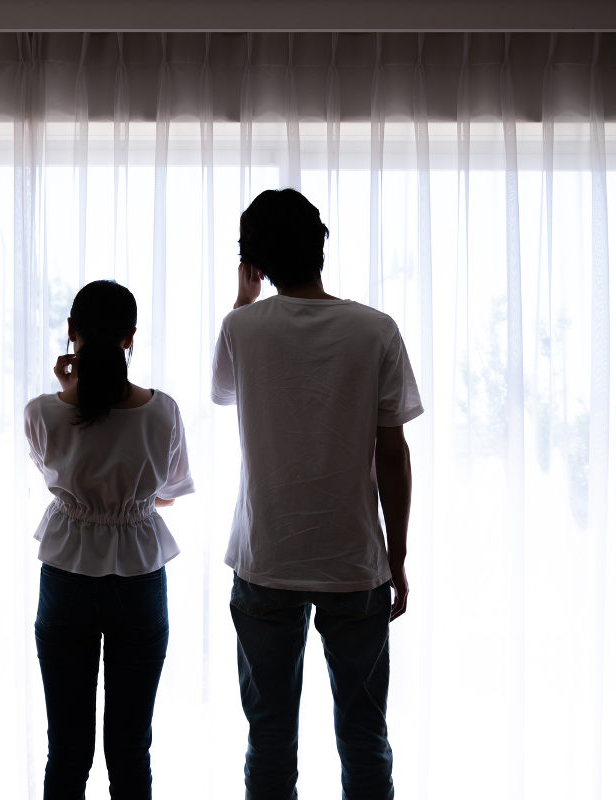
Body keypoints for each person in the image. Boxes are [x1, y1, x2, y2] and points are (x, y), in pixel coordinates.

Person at [211, 189, 423, 799]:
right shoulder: (375, 330)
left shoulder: (241, 327)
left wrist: (244, 300)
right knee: (364, 737)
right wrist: (396, 558)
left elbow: (224, 391)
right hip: (353, 562)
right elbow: (393, 455)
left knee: (269, 738)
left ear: (254, 261)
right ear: (320, 246)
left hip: (266, 558)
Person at [24, 279, 195, 800]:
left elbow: (59, 479)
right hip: (138, 579)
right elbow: (167, 494)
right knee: (130, 750)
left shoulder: (42, 412)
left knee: (66, 751)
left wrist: (68, 387)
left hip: (66, 578)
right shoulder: (162, 411)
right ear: (130, 337)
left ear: (70, 331)